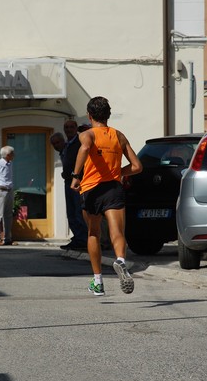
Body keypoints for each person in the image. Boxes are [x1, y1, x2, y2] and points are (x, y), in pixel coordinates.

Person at [71, 96, 142, 296]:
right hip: (113, 188)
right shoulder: (119, 136)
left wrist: (76, 176)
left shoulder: (87, 135)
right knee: (117, 232)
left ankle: (98, 282)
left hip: (91, 189)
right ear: (108, 115)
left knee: (94, 233)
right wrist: (120, 172)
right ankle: (120, 260)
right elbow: (137, 166)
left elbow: (85, 149)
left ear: (89, 115)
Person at [51, 120, 88, 251]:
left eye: (71, 127)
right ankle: (78, 237)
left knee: (78, 211)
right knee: (71, 212)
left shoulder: (79, 142)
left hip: (77, 182)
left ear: (76, 128)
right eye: (66, 127)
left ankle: (82, 239)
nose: (69, 129)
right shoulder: (67, 145)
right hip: (68, 182)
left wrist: (75, 175)